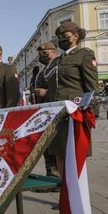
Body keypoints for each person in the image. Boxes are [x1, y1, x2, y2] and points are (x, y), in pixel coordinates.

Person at [40, 21, 99, 178]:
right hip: (57, 114)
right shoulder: (58, 60)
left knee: (75, 156)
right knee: (59, 153)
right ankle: (64, 198)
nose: (62, 40)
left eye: (65, 36)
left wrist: (92, 114)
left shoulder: (84, 55)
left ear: (76, 36)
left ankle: (75, 200)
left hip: (75, 114)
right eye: (59, 37)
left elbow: (92, 87)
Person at [32, 42, 60, 181]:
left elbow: (62, 88)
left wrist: (46, 92)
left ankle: (57, 176)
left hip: (55, 111)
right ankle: (51, 175)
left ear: (53, 52)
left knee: (55, 147)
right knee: (46, 147)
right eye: (40, 54)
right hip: (43, 113)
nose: (41, 56)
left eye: (45, 53)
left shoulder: (58, 67)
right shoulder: (42, 71)